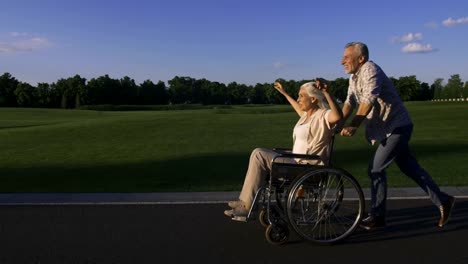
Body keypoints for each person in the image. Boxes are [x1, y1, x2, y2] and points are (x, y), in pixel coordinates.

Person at [339, 42, 455, 230]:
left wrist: (353, 125)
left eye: (346, 57)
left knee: (375, 169)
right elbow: (349, 102)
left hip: (397, 128)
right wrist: (334, 123)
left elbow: (368, 99)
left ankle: (378, 216)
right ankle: (444, 200)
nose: (342, 61)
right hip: (387, 130)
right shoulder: (353, 77)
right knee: (411, 169)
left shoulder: (370, 69)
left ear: (360, 58)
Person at [224, 79, 343, 220]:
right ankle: (245, 203)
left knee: (258, 154)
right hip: (296, 163)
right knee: (259, 155)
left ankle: (247, 205)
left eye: (301, 96)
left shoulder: (323, 115)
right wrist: (284, 93)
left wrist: (326, 92)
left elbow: (338, 116)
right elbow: (296, 106)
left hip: (307, 167)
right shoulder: (306, 117)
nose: (298, 99)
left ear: (313, 99)